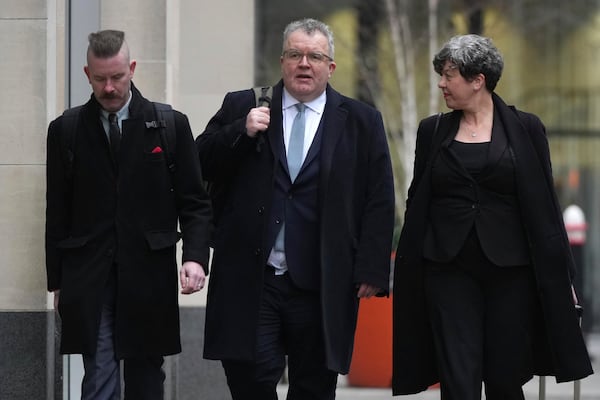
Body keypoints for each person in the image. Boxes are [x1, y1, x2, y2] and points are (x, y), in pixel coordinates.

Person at [196, 18, 395, 400]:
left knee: (315, 386)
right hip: (255, 276)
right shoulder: (244, 105)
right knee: (251, 377)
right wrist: (240, 129)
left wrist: (371, 267)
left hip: (323, 281)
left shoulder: (361, 121)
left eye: (315, 56)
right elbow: (199, 162)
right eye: (295, 54)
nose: (304, 63)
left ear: (330, 67)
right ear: (282, 60)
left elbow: (379, 197)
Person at [392, 34, 593, 399]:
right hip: (446, 269)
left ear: (477, 80)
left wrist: (562, 272)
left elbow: (544, 204)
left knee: (505, 377)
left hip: (510, 272)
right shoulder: (432, 130)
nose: (441, 83)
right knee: (458, 379)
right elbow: (417, 199)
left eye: (449, 75)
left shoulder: (526, 128)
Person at [45, 30, 212, 399]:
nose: (109, 88)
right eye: (101, 78)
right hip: (90, 273)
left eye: (117, 77)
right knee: (99, 369)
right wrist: (57, 281)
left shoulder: (170, 124)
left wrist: (196, 258)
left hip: (149, 272)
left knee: (146, 376)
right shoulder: (66, 130)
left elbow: (195, 201)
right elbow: (57, 210)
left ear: (132, 69)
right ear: (87, 74)